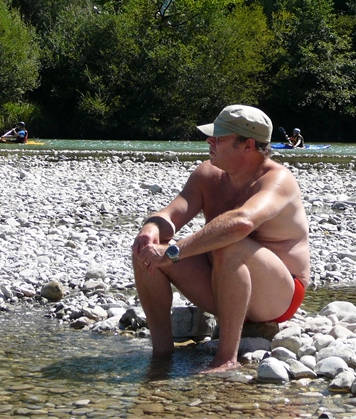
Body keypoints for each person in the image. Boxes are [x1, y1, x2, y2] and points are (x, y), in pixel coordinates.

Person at [132, 104, 310, 373]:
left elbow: (242, 222)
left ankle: (226, 359)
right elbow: (171, 215)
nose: (209, 141)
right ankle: (162, 355)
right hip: (224, 287)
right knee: (145, 248)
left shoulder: (277, 179)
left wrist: (174, 252)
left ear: (248, 144)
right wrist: (151, 228)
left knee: (229, 244)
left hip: (278, 296)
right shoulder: (207, 174)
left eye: (219, 138)